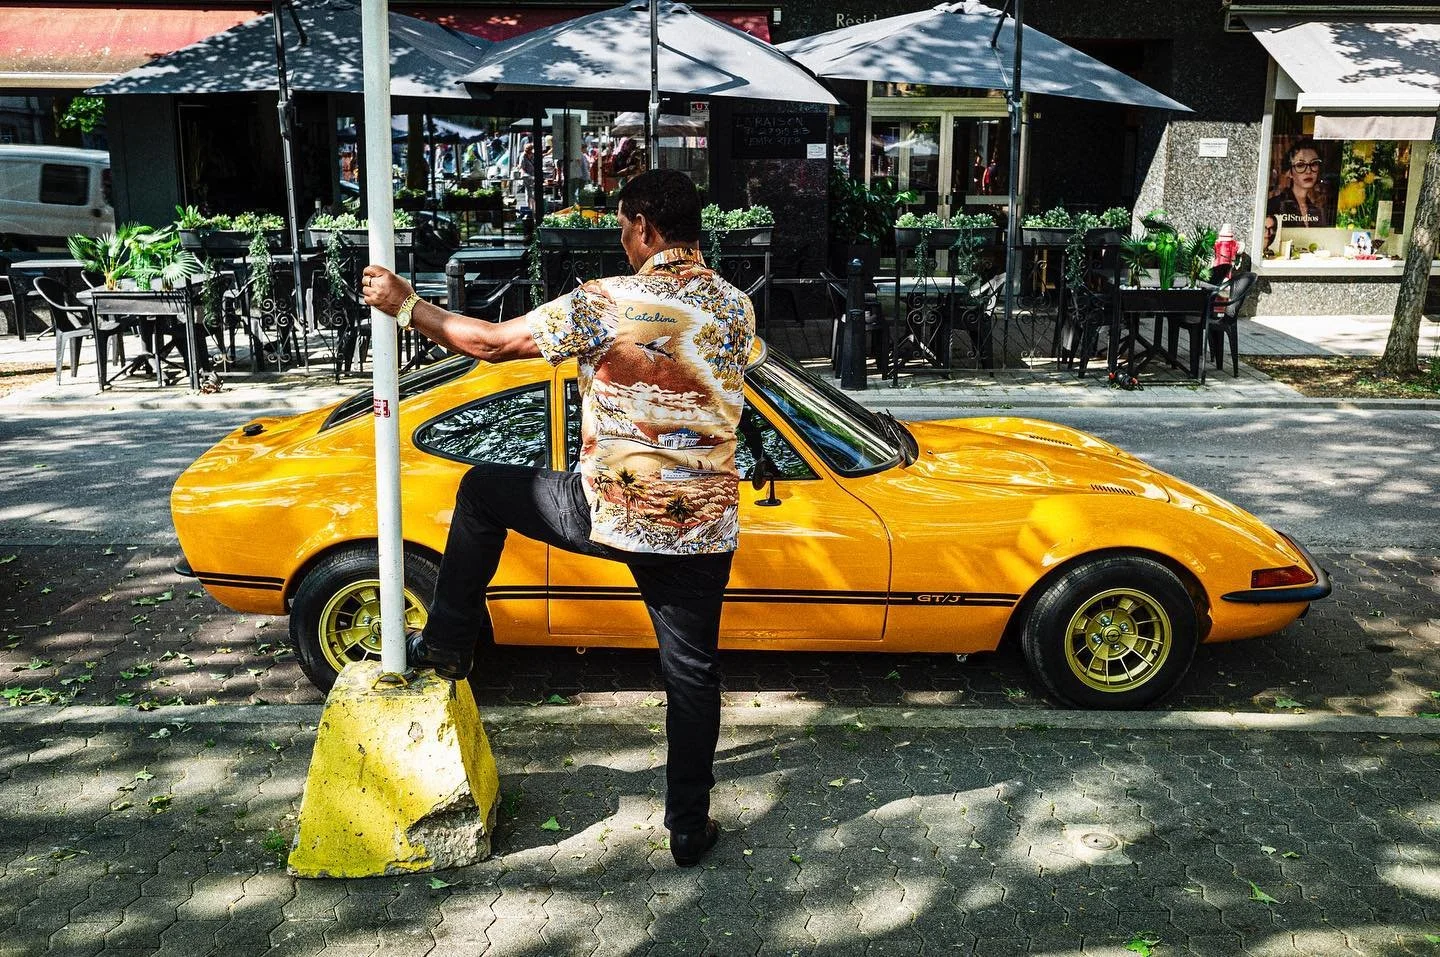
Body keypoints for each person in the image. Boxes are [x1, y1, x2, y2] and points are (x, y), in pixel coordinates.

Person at [360, 169, 755, 869]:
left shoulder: (607, 300)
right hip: (701, 523)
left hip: (613, 510)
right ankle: (688, 827)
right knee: (692, 677)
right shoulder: (736, 305)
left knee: (482, 491)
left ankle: (450, 644)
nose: (623, 239)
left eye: (624, 227)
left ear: (646, 228)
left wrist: (405, 304)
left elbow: (486, 342)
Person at [1267, 139, 1331, 228]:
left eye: (1314, 164)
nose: (1308, 171)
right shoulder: (1275, 206)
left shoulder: (1317, 211)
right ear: (1289, 172)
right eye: (1300, 165)